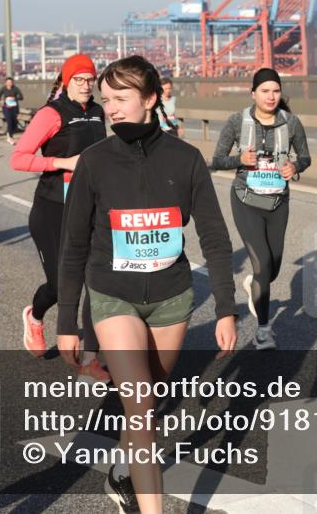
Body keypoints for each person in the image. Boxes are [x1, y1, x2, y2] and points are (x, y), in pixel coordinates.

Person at [57, 55, 236, 514]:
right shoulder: (94, 161)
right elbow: (73, 246)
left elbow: (214, 237)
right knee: (140, 404)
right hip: (113, 295)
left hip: (170, 300)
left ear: (151, 98)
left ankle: (123, 469)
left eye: (121, 98)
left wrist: (226, 310)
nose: (111, 108)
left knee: (147, 399)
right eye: (106, 100)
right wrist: (67, 322)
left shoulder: (186, 158)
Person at [10, 54, 107, 380]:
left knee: (95, 282)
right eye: (79, 79)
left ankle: (91, 359)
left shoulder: (97, 112)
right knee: (62, 286)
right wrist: (62, 164)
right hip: (52, 210)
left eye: (89, 79)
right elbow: (19, 158)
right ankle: (35, 315)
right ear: (66, 81)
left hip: (89, 208)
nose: (85, 85)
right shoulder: (51, 114)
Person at [212, 68, 310, 349]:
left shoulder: (291, 123)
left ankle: (255, 282)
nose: (271, 96)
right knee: (263, 263)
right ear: (253, 93)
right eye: (265, 91)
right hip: (246, 200)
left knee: (273, 266)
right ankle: (264, 330)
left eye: (276, 91)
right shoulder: (236, 122)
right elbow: (218, 160)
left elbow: (305, 157)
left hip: (278, 202)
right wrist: (239, 160)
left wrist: (296, 166)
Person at [0, 75, 25, 144]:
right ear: (5, 83)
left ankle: (9, 134)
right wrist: (1, 101)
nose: (9, 83)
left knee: (14, 122)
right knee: (9, 121)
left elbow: (21, 97)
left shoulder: (15, 89)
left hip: (14, 107)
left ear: (13, 83)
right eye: (8, 82)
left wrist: (14, 98)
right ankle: (10, 137)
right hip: (6, 107)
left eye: (11, 82)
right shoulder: (3, 89)